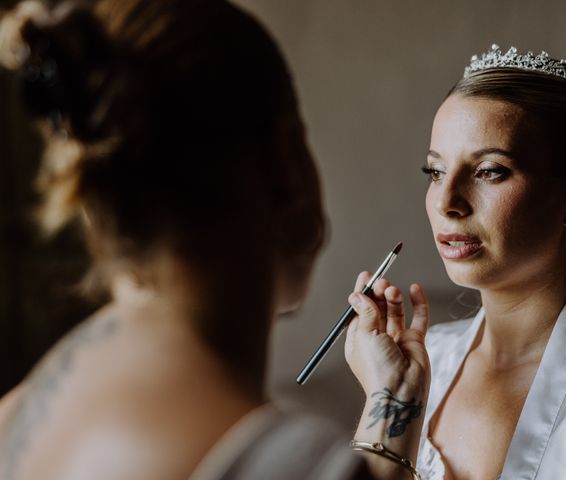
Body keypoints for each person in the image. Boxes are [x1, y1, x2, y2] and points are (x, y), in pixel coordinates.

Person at [0, 1, 408, 478]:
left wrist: (391, 391)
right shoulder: (286, 461)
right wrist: (394, 409)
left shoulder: (20, 412)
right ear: (286, 164)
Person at [346, 44, 566, 479]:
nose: (447, 202)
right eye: (436, 172)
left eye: (489, 171)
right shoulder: (424, 363)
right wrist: (392, 401)